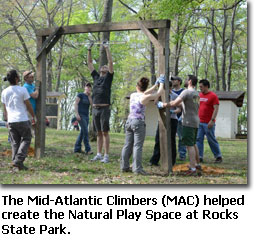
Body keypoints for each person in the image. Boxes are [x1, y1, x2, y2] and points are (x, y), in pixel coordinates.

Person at [121, 75, 165, 175]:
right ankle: (137, 169)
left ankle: (124, 166)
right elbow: (159, 93)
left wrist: (154, 85)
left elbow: (144, 92)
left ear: (137, 86)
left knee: (127, 145)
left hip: (129, 121)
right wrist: (161, 83)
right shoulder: (146, 97)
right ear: (145, 87)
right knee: (137, 146)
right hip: (138, 122)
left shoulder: (133, 95)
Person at [158, 75, 201, 176]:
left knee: (189, 145)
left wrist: (163, 105)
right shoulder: (196, 93)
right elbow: (187, 105)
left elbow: (175, 103)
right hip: (195, 121)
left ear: (190, 81)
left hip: (188, 122)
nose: (185, 81)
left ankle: (193, 168)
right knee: (193, 143)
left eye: (186, 79)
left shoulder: (186, 92)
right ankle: (197, 164)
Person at [1, 69, 35, 170]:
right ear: (16, 78)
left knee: (15, 143)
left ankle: (16, 165)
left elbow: (5, 108)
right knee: (26, 139)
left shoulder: (4, 92)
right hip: (22, 119)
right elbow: (28, 105)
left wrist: (7, 120)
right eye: (18, 76)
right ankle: (18, 160)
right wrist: (33, 116)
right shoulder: (22, 90)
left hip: (11, 121)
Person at [87, 42, 113, 163]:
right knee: (98, 133)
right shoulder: (96, 77)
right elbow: (90, 63)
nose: (104, 66)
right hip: (95, 109)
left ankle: (106, 156)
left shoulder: (108, 78)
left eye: (105, 67)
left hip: (104, 109)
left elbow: (110, 62)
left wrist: (107, 48)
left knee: (105, 132)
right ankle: (98, 154)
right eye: (102, 66)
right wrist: (89, 49)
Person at [149, 80, 182, 167]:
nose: (164, 90)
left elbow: (179, 109)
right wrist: (159, 101)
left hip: (172, 120)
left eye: (166, 88)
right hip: (162, 120)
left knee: (171, 140)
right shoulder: (161, 94)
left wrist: (173, 111)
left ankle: (172, 161)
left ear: (170, 88)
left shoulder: (175, 96)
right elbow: (155, 102)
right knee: (158, 139)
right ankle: (154, 160)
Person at [196, 79, 223, 163]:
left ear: (206, 86)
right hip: (199, 122)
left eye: (201, 86)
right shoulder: (199, 95)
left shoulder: (213, 96)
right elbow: (197, 107)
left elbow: (216, 109)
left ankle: (218, 156)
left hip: (208, 123)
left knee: (211, 139)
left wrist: (212, 120)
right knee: (198, 139)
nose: (200, 88)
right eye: (199, 86)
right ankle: (199, 157)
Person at [74, 82, 93, 155]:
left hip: (86, 116)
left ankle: (77, 148)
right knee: (85, 132)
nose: (88, 88)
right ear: (84, 87)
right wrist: (77, 114)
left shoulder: (89, 97)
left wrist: (89, 96)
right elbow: (76, 104)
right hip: (80, 115)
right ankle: (88, 149)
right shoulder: (80, 95)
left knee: (82, 132)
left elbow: (92, 105)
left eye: (89, 87)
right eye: (87, 86)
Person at [171, 76, 187, 161]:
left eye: (174, 80)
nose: (173, 81)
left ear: (179, 81)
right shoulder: (171, 92)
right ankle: (171, 154)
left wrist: (182, 116)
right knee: (171, 137)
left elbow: (185, 105)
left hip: (181, 117)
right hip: (172, 118)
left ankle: (182, 155)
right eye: (172, 80)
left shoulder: (183, 92)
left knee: (181, 138)